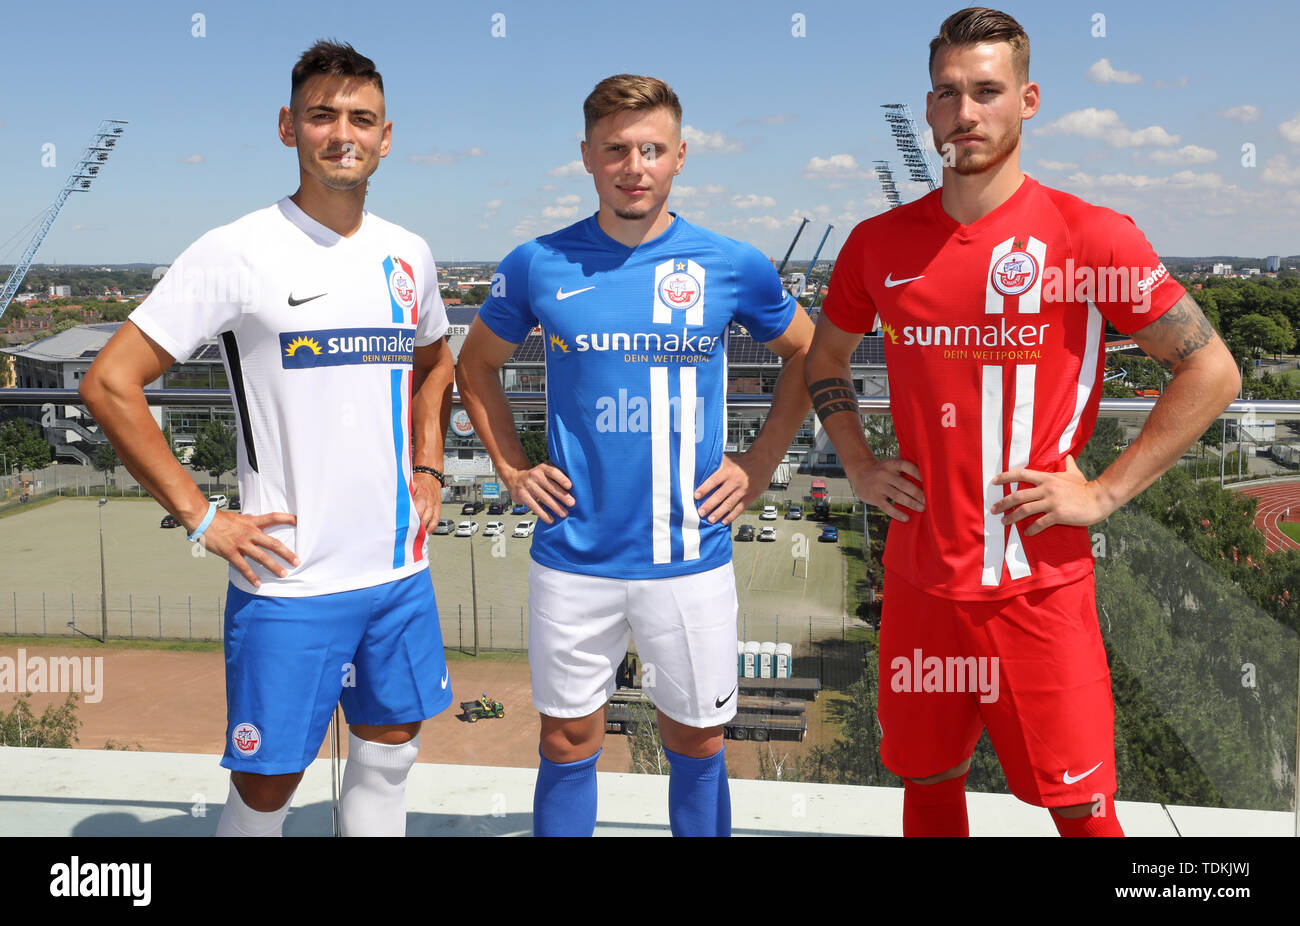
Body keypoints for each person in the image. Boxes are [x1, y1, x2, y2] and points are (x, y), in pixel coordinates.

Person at [804, 7, 1240, 836]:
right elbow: (824, 360)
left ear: (1028, 100)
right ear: (928, 110)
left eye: (987, 91)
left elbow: (1212, 370)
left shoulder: (1091, 236)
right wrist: (858, 465)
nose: (964, 112)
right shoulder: (876, 244)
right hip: (920, 579)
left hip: (1038, 588)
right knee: (928, 784)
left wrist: (1106, 495)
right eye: (947, 94)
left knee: (1081, 811)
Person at [79, 41, 455, 837]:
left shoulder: (408, 253)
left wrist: (428, 461)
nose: (342, 133)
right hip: (289, 584)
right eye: (322, 115)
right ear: (289, 127)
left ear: (387, 137)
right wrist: (203, 517)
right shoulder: (237, 249)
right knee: (265, 789)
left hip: (399, 570)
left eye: (361, 118)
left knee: (391, 758)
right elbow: (109, 382)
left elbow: (436, 361)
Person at [455, 74, 814, 837]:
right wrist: (511, 468)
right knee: (565, 741)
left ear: (680, 156)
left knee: (698, 743)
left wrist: (758, 463)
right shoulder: (536, 263)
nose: (634, 165)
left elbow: (809, 355)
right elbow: (473, 365)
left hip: (690, 556)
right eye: (616, 148)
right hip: (572, 555)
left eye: (652, 149)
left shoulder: (731, 263)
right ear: (587, 156)